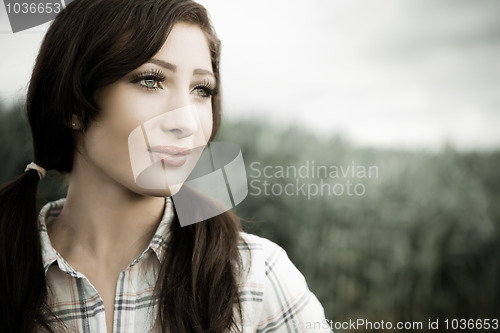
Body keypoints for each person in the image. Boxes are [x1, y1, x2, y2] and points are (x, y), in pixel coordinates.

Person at [0, 0, 330, 332]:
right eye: (150, 80)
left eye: (202, 90)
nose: (186, 122)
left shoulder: (258, 278)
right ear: (73, 105)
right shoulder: (9, 267)